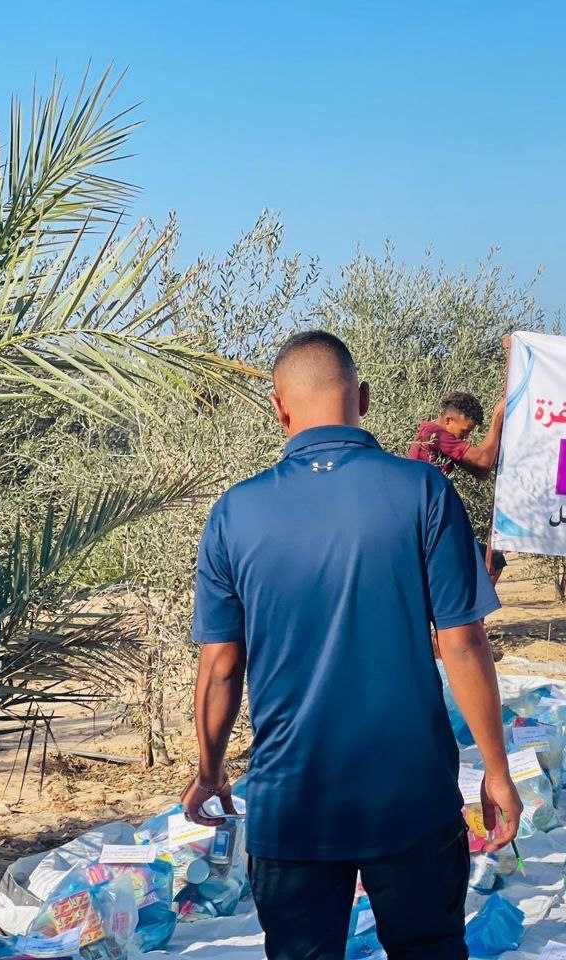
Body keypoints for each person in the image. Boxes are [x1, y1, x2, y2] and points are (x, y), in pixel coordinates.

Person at [181, 331, 522, 960]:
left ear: (279, 408)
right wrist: (497, 772)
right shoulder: (423, 492)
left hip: (292, 800)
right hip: (411, 795)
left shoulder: (235, 513)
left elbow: (221, 665)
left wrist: (210, 770)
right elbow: (464, 644)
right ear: (362, 398)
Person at [408, 390, 509, 583]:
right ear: (448, 420)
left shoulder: (438, 438)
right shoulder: (434, 434)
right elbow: (483, 460)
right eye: (464, 432)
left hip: (430, 521)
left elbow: (482, 471)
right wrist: (497, 420)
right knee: (489, 562)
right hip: (425, 525)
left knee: (494, 561)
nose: (464, 438)